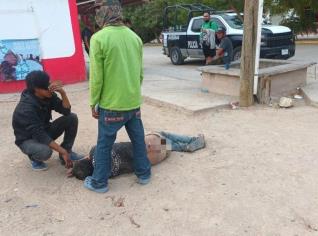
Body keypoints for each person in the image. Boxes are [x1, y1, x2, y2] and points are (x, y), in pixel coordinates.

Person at [87, 0, 150, 193]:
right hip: (132, 102)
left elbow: (97, 77)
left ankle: (99, 183)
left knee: (104, 145)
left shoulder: (98, 39)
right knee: (138, 139)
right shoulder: (135, 38)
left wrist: (93, 102)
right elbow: (140, 73)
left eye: (99, 10)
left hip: (111, 105)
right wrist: (131, 92)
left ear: (104, 14)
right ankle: (144, 174)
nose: (97, 14)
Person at [12, 71, 82, 171]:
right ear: (36, 89)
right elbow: (38, 134)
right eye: (46, 86)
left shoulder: (48, 95)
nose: (50, 88)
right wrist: (61, 150)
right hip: (27, 139)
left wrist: (63, 93)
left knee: (71, 118)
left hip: (44, 130)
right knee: (45, 152)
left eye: (49, 83)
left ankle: (67, 151)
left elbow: (66, 111)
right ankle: (34, 158)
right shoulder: (26, 108)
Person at [71, 132, 206, 180]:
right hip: (148, 147)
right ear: (87, 159)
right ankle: (191, 142)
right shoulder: (95, 151)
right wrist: (75, 165)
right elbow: (89, 157)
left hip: (150, 160)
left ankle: (183, 146)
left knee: (168, 146)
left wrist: (79, 172)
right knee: (163, 135)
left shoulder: (104, 174)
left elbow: (89, 165)